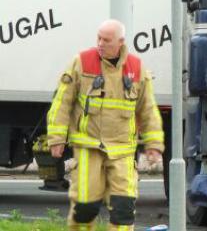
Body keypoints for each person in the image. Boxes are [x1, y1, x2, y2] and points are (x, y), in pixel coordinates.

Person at [45, 19, 164, 231]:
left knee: (123, 210)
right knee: (85, 207)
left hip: (122, 152)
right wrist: (56, 138)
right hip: (88, 147)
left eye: (106, 40)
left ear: (121, 42)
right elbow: (62, 102)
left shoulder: (136, 68)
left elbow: (148, 109)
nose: (100, 43)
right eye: (98, 37)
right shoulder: (81, 62)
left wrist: (153, 144)